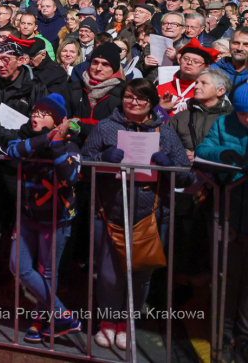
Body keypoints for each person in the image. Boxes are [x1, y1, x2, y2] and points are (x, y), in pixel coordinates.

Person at [82, 78, 194, 352]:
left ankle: (126, 321)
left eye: (141, 98)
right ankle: (108, 321)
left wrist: (169, 166)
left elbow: (187, 177)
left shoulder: (165, 132)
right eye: (129, 96)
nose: (134, 102)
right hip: (110, 212)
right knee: (108, 276)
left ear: (152, 103)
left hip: (151, 216)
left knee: (141, 275)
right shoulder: (105, 127)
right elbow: (83, 164)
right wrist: (102, 159)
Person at [5, 94, 83, 342]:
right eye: (34, 111)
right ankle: (62, 314)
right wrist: (47, 138)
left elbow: (70, 177)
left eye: (43, 113)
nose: (35, 116)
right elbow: (12, 151)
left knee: (48, 273)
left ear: (58, 121)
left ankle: (42, 320)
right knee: (18, 267)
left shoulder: (70, 144)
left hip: (56, 220)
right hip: (27, 217)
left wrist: (56, 142)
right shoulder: (26, 137)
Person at [196, 82, 248, 363]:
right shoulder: (224, 123)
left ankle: (244, 337)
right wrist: (223, 154)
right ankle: (223, 335)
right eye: (242, 114)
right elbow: (204, 150)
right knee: (226, 276)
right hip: (229, 208)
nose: (247, 119)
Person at [158, 39, 218, 116]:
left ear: (206, 67)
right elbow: (150, 120)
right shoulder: (161, 88)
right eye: (186, 59)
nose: (189, 63)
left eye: (196, 61)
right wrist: (161, 109)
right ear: (179, 60)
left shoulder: (209, 93)